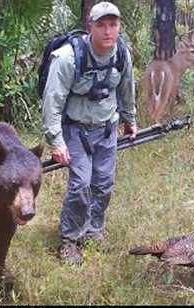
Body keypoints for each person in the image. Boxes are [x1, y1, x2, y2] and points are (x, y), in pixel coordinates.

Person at [42, 2, 137, 265]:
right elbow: (52, 101)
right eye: (101, 25)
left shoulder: (121, 53)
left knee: (104, 184)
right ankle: (69, 239)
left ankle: (93, 230)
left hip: (107, 128)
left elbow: (127, 87)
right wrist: (56, 141)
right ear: (90, 27)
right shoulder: (68, 57)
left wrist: (130, 119)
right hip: (76, 129)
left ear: (119, 27)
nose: (108, 31)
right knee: (81, 185)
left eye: (113, 25)